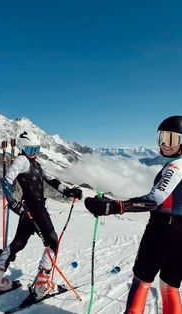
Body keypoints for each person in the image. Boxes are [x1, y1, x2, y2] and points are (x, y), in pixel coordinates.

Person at [85, 115, 182, 314]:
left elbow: (153, 200)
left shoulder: (175, 167)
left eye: (171, 138)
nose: (164, 143)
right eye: (161, 137)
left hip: (162, 231)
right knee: (170, 286)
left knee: (142, 281)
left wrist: (113, 207)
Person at [0, 131, 82, 300]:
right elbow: (6, 181)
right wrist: (12, 202)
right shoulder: (21, 160)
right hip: (35, 210)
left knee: (17, 244)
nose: (33, 152)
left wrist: (68, 191)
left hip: (28, 211)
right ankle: (41, 287)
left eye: (36, 148)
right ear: (22, 148)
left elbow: (51, 179)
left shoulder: (37, 162)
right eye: (29, 149)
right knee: (53, 242)